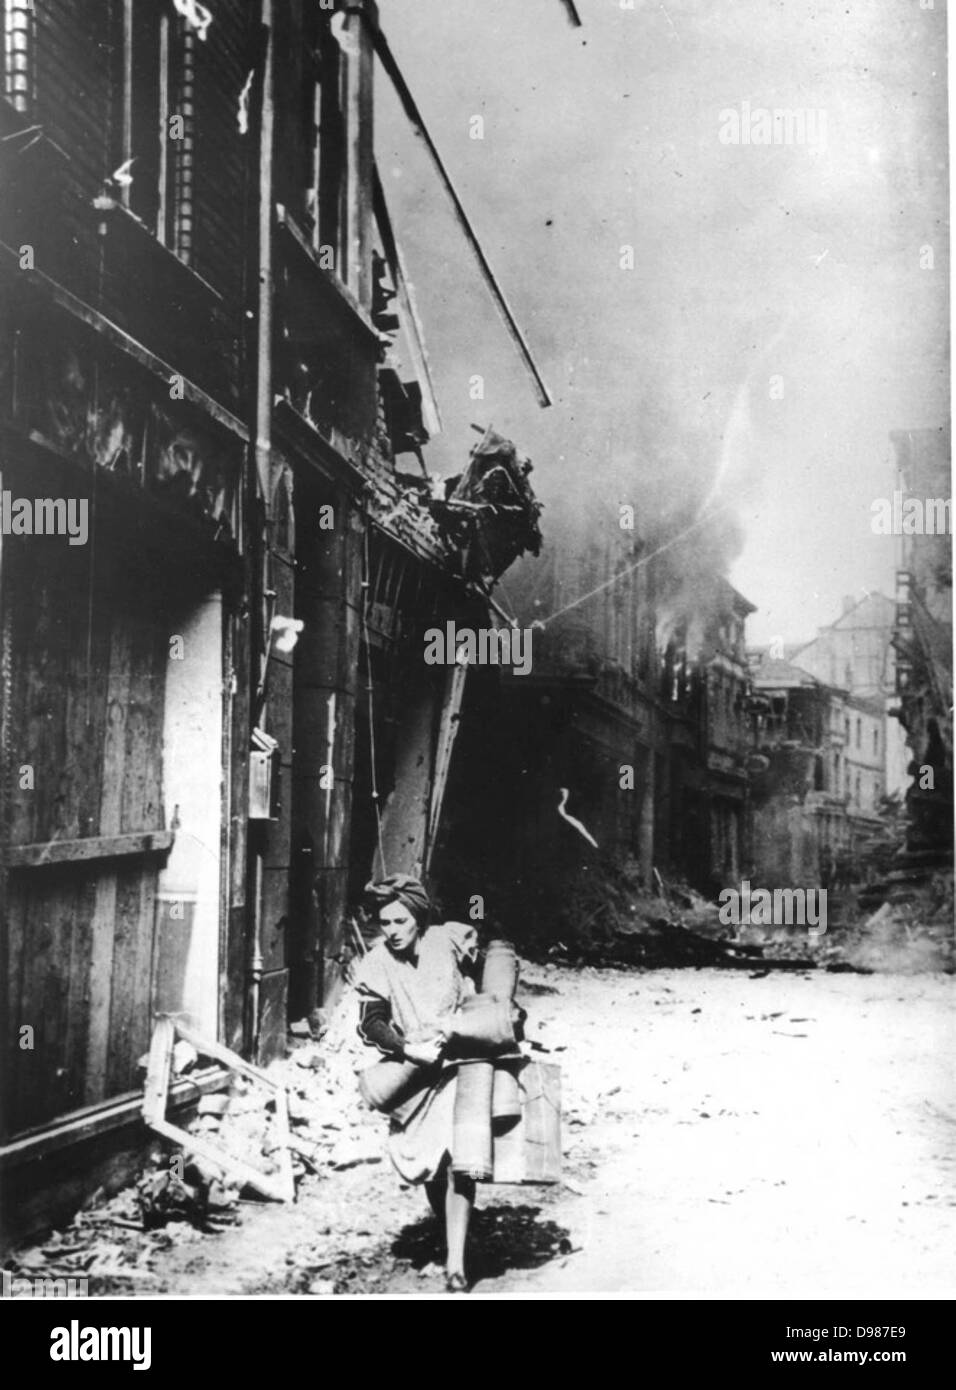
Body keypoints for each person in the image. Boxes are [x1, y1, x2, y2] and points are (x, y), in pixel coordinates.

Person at [352, 874, 481, 1293]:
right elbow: (371, 1022)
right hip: (419, 1070)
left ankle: (457, 1263)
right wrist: (408, 1049)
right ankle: (451, 1233)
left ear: (418, 919)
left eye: (399, 922)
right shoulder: (378, 962)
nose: (391, 932)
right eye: (384, 923)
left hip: (463, 1063)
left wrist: (485, 1016)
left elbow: (489, 980)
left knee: (460, 1159)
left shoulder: (449, 942)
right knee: (430, 1164)